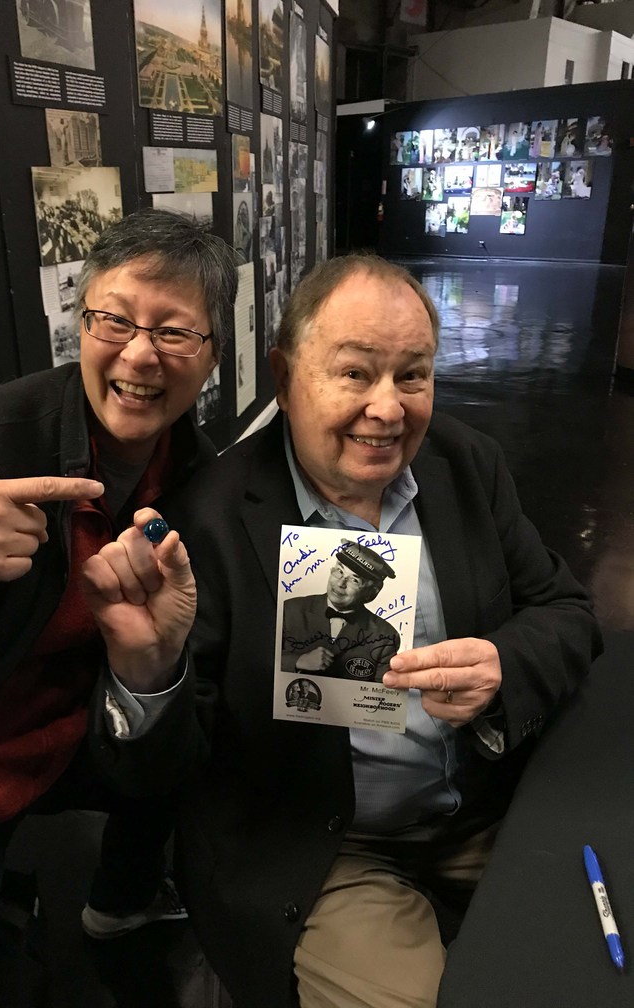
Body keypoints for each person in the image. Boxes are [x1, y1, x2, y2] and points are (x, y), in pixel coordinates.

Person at [103, 253, 602, 1008]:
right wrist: (147, 670)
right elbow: (163, 771)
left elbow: (566, 610)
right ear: (284, 377)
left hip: (486, 806)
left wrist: (502, 665)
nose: (388, 408)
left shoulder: (467, 466)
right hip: (329, 845)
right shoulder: (209, 522)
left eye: (413, 375)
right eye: (355, 373)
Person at [0, 206, 237, 1006]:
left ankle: (122, 894)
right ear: (82, 324)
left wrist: (149, 670)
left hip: (68, 746)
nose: (139, 354)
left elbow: (169, 729)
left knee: (206, 739)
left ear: (213, 354)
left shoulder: (198, 486)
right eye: (115, 320)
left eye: (174, 332)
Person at [281, 540, 400, 682]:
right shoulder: (289, 609)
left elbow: (383, 691)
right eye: (339, 571)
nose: (340, 583)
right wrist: (298, 661)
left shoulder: (386, 636)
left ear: (372, 593)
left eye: (354, 580)